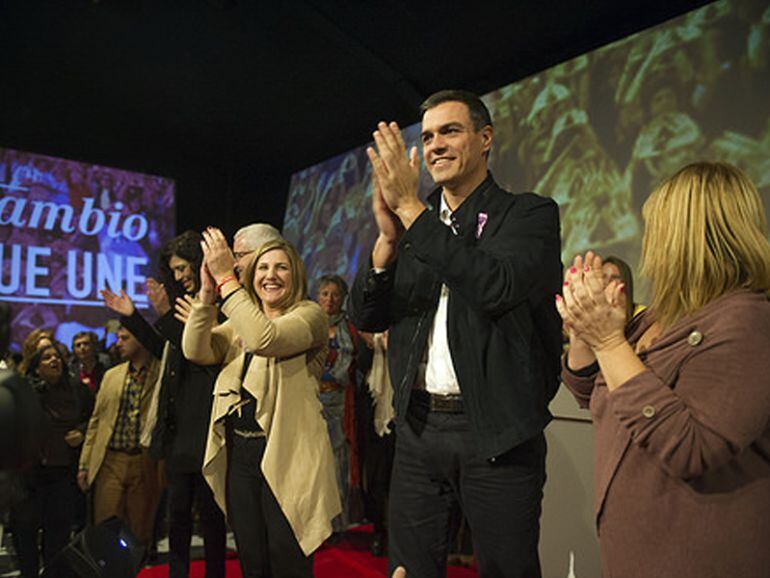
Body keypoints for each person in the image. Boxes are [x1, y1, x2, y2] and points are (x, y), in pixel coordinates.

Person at [349, 89, 562, 577]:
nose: (435, 145)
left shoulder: (529, 215)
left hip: (497, 434)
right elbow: (367, 316)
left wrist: (411, 212)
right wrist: (386, 241)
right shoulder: (410, 226)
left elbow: (495, 287)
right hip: (419, 433)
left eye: (450, 131)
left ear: (485, 138)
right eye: (426, 137)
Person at [557, 161, 770, 578]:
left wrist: (609, 341)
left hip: (697, 558)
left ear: (684, 236)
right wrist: (584, 333)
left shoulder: (746, 322)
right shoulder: (662, 315)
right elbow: (600, 395)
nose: (648, 240)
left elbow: (694, 448)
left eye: (655, 226)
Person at [180, 230, 340, 578]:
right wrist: (207, 295)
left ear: (295, 274)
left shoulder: (309, 315)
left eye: (281, 267)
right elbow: (195, 350)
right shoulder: (243, 319)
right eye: (263, 267)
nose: (270, 275)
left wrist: (226, 280)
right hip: (242, 456)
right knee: (252, 559)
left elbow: (265, 339)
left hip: (287, 453)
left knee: (287, 559)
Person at [101, 230, 226, 578]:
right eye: (175, 271)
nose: (181, 276)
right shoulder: (182, 309)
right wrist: (132, 315)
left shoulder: (221, 306)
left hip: (207, 433)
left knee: (212, 520)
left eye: (185, 267)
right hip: (178, 434)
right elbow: (165, 348)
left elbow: (198, 352)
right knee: (178, 518)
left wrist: (168, 315)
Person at [10, 343, 92, 578]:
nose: (54, 360)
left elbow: (93, 419)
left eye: (57, 356)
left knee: (57, 540)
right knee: (24, 537)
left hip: (62, 475)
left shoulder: (77, 390)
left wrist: (82, 432)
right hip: (28, 478)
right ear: (36, 368)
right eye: (46, 358)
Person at [77, 326, 162, 547]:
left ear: (141, 340)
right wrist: (85, 464)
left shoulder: (160, 373)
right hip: (110, 460)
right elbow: (96, 421)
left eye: (125, 338)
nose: (118, 343)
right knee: (105, 527)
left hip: (143, 460)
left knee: (140, 529)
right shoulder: (112, 375)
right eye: (118, 338)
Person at [315, 274, 360, 535]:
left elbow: (349, 359)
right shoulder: (308, 321)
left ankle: (337, 523)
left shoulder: (348, 326)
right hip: (310, 400)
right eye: (324, 294)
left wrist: (334, 375)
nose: (329, 299)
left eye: (335, 294)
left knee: (337, 461)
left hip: (338, 401)